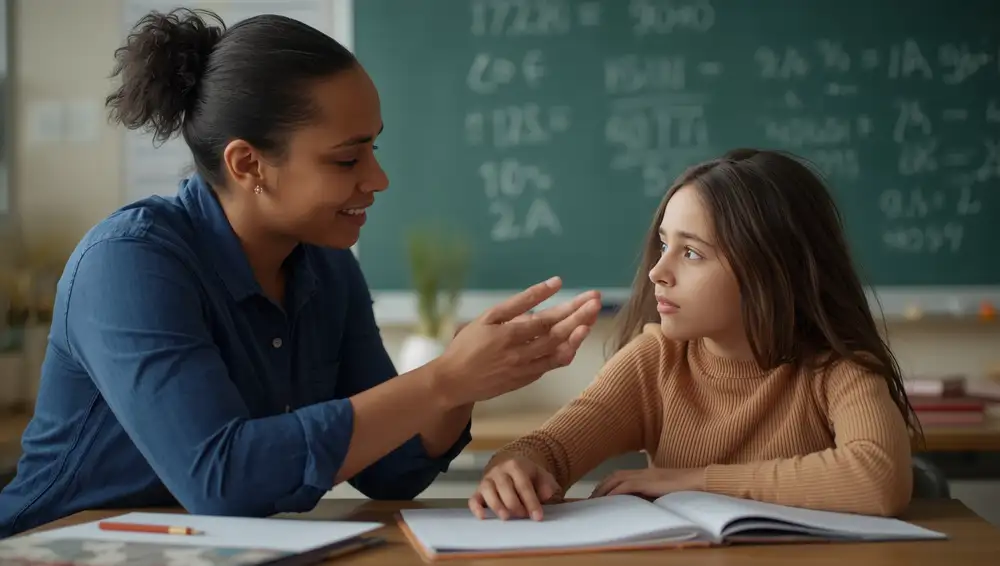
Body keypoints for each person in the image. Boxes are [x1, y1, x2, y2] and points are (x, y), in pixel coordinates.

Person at [0, 9, 601, 537]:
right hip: (55, 546)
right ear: (248, 164)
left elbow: (391, 472)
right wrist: (442, 380)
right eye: (346, 158)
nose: (377, 179)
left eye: (373, 149)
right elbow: (222, 480)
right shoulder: (129, 263)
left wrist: (465, 384)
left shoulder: (327, 265)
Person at [470, 149, 920, 522]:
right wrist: (515, 467)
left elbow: (878, 479)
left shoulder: (838, 367)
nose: (657, 271)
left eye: (691, 253)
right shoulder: (654, 361)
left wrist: (694, 480)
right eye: (665, 245)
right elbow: (549, 449)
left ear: (771, 269)